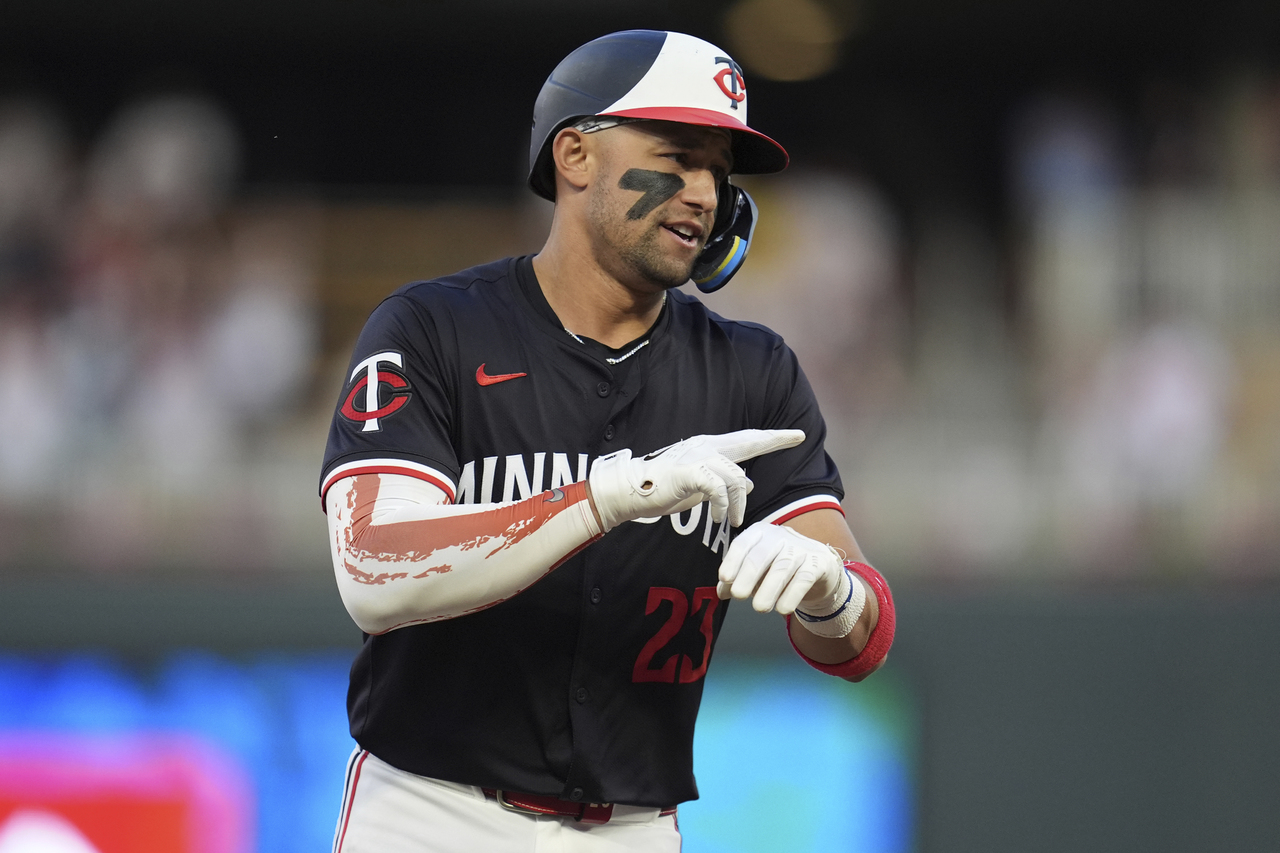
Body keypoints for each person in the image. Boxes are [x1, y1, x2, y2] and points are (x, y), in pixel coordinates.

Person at [319, 29, 895, 853]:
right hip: (430, 810)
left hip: (633, 827)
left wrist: (831, 591)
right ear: (575, 155)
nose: (704, 193)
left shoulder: (751, 369)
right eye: (677, 157)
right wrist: (605, 496)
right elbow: (375, 570)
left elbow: (862, 641)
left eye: (718, 171)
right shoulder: (432, 328)